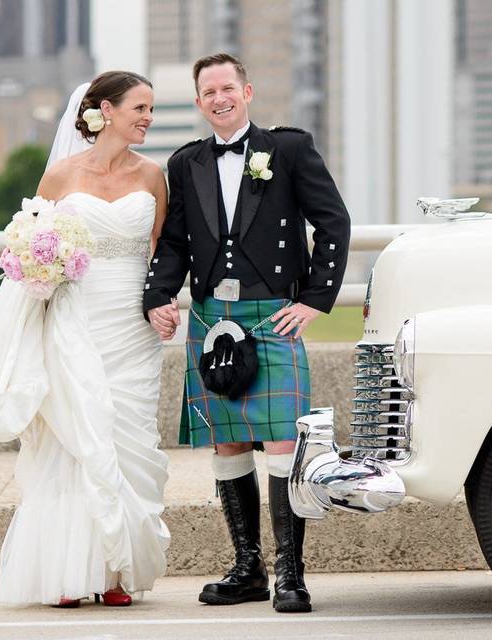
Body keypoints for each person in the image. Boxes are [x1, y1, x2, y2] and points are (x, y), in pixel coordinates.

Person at [143, 53, 350, 614]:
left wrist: (314, 301)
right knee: (228, 440)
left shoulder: (288, 149)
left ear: (247, 91)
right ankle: (247, 567)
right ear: (198, 101)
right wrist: (158, 294)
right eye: (208, 91)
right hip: (213, 316)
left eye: (227, 88)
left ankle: (290, 572)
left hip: (272, 313)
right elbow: (175, 242)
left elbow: (333, 222)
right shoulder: (185, 163)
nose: (219, 98)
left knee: (284, 439)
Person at [0, 71, 170, 607]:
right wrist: (38, 268)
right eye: (141, 108)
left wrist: (163, 301)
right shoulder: (59, 176)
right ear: (104, 110)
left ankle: (112, 571)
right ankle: (66, 572)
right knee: (73, 440)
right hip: (75, 320)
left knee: (127, 439)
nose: (149, 117)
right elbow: (32, 243)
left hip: (133, 326)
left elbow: (161, 254)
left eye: (151, 109)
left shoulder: (153, 176)